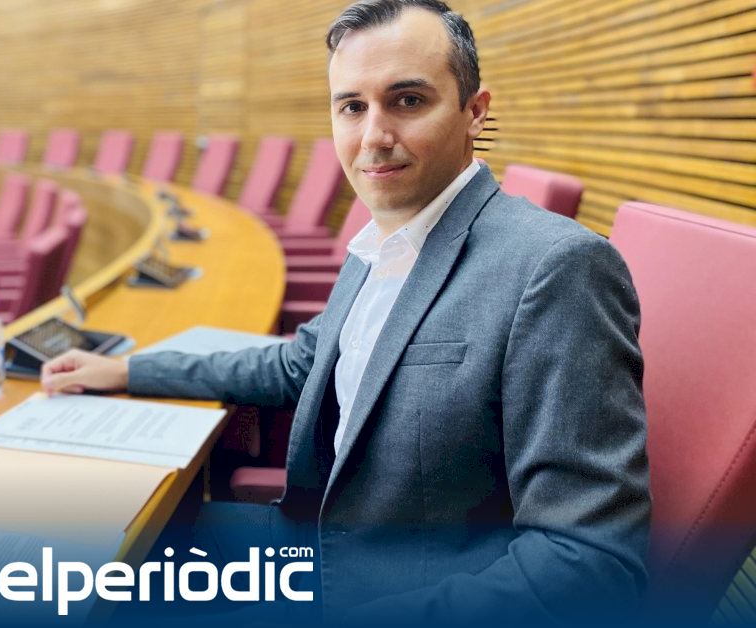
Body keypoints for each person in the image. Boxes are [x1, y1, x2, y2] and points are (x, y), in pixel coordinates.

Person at [40, 0, 650, 624]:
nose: (374, 137)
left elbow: (589, 564)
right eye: (352, 107)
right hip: (312, 542)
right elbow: (300, 365)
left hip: (392, 593)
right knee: (66, 551)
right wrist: (130, 371)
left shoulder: (557, 268)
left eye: (408, 100)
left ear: (474, 111)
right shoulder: (387, 235)